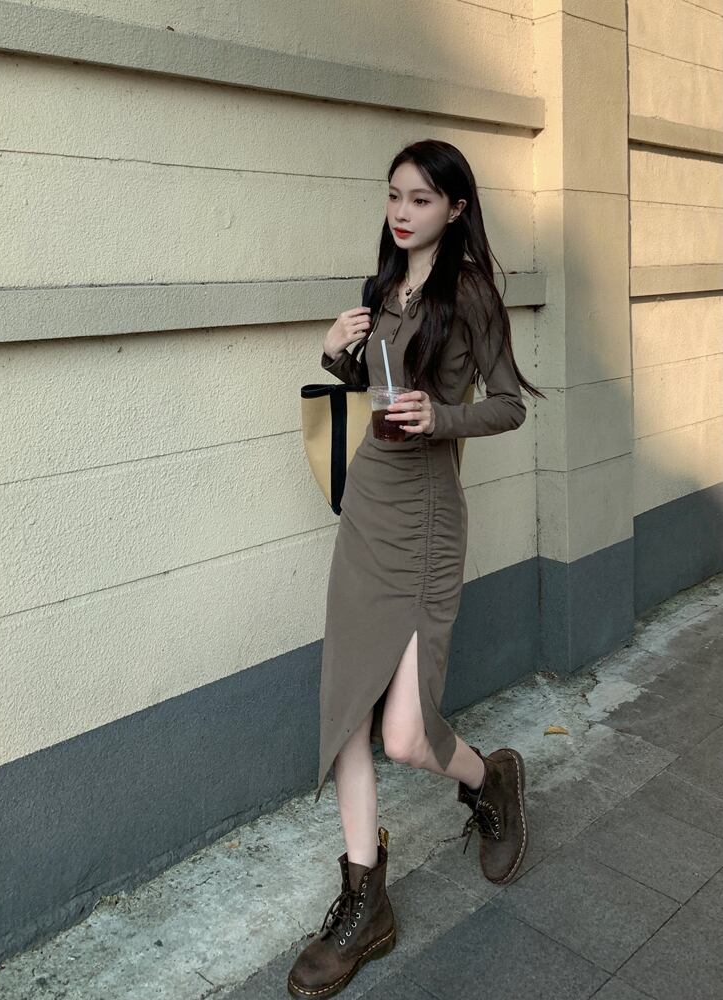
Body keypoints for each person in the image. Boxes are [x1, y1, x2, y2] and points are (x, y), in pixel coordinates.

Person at [287, 139, 545, 999]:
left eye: (422, 199)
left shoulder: (469, 294)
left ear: (456, 208)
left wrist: (442, 417)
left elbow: (507, 405)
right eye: (394, 195)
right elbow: (370, 386)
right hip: (368, 508)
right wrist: (335, 352)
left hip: (427, 521)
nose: (402, 212)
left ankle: (490, 778)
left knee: (404, 735)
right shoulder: (382, 286)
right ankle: (364, 900)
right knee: (346, 715)